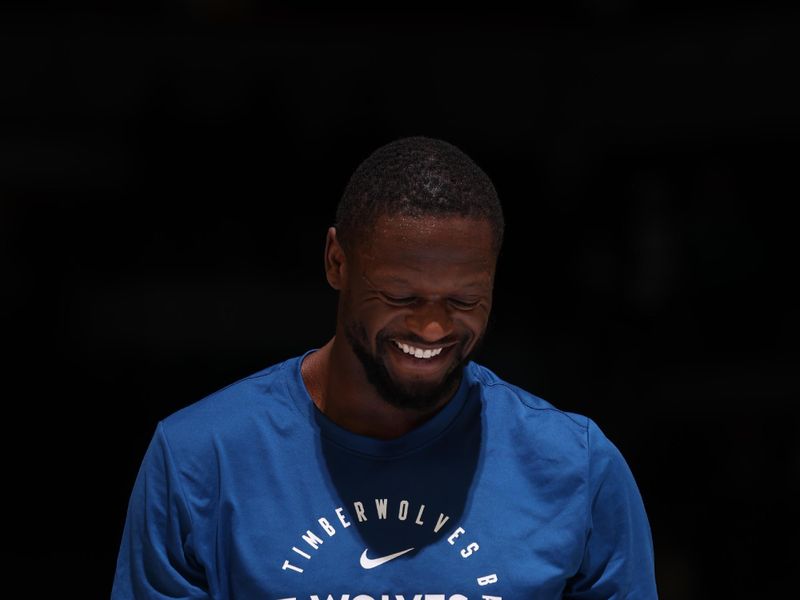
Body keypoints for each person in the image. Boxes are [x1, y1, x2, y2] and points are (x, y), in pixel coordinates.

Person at [111, 136, 658, 599]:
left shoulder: (576, 466)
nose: (432, 328)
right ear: (336, 262)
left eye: (464, 301)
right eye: (400, 295)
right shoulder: (199, 459)